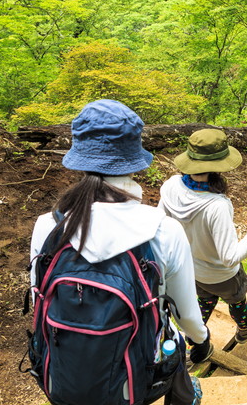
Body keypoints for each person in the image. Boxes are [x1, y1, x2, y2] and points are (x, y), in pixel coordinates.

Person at [29, 99, 211, 405]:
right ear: (136, 161)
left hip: (61, 376)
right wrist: (201, 340)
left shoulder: (49, 226)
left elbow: (39, 300)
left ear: (78, 158)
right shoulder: (162, 231)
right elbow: (188, 316)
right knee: (176, 343)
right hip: (134, 382)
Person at [157, 128, 247, 344]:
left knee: (204, 300)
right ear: (218, 166)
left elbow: (161, 227)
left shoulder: (170, 186)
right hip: (222, 275)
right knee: (237, 300)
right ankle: (246, 329)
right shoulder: (217, 205)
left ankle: (195, 339)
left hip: (191, 268)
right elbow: (228, 257)